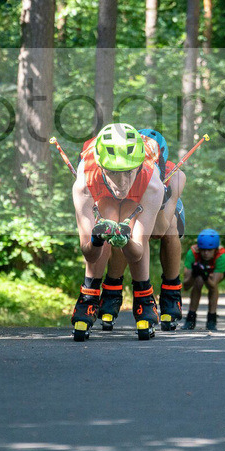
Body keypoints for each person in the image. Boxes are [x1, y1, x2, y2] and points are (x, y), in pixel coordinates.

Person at [70, 123, 166, 341]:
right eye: (113, 172)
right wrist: (96, 239)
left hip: (143, 186)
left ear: (138, 166)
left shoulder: (153, 184)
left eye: (127, 172)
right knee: (107, 215)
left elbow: (137, 251)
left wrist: (126, 240)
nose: (121, 183)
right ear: (101, 166)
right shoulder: (84, 183)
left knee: (140, 226)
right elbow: (89, 253)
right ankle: (89, 296)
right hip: (99, 187)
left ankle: (144, 298)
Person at [95, 128, 187, 332]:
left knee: (171, 227)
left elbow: (159, 229)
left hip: (162, 217)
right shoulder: (128, 169)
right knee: (122, 227)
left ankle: (171, 294)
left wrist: (162, 198)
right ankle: (112, 290)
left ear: (160, 161)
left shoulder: (176, 176)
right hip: (135, 209)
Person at [181, 228, 225, 331]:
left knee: (212, 287)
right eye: (203, 250)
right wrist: (194, 274)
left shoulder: (221, 256)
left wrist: (204, 275)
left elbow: (212, 285)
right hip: (200, 271)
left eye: (209, 250)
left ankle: (212, 319)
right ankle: (190, 319)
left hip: (218, 269)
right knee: (198, 281)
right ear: (199, 248)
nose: (206, 253)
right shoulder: (192, 253)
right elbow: (186, 286)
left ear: (215, 249)